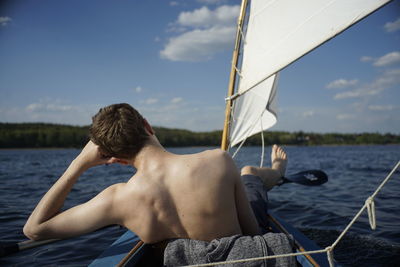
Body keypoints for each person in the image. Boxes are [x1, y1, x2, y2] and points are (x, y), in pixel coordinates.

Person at [23, 103, 294, 266]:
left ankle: (270, 172)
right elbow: (253, 233)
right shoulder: (218, 160)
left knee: (247, 177)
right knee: (249, 176)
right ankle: (276, 171)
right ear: (147, 125)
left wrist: (79, 162)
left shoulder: (116, 200)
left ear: (115, 160)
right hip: (241, 246)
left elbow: (34, 229)